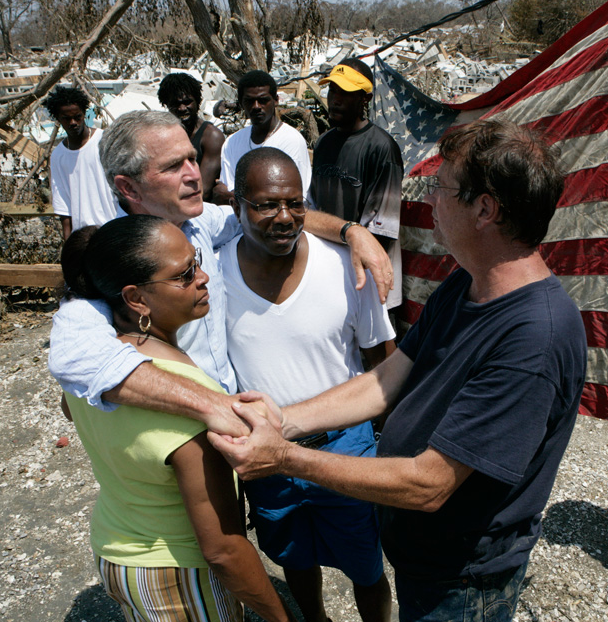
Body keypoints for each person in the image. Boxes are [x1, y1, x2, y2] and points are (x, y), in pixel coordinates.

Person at [211, 119, 587, 622]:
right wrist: (283, 420)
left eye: (442, 187)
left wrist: (286, 457)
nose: (430, 200)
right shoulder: (468, 284)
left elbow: (430, 484)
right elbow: (386, 378)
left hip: (462, 582)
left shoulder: (533, 338)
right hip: (421, 558)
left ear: (485, 209)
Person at [47, 110, 395, 438]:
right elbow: (73, 359)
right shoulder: (112, 261)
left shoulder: (200, 223)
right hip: (179, 439)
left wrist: (353, 232)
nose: (194, 175)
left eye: (192, 158)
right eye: (172, 166)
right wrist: (213, 407)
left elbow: (272, 214)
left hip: (237, 442)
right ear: (129, 188)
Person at [58, 215, 299, 622]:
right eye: (184, 275)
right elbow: (222, 549)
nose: (203, 277)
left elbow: (69, 409)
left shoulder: (88, 370)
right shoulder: (192, 401)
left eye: (198, 262)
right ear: (135, 298)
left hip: (116, 553)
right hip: (176, 576)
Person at [223, 147, 395, 622]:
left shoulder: (345, 267)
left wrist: (385, 438)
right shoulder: (212, 276)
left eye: (294, 203)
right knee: (294, 558)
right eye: (265, 205)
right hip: (266, 455)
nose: (283, 218)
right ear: (237, 204)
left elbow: (382, 359)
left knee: (367, 566)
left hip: (347, 447)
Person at [311, 59, 404, 309]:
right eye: (332, 91)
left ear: (364, 99)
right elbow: (312, 209)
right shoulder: (323, 144)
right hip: (325, 274)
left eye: (346, 92)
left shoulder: (382, 148)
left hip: (368, 281)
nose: (335, 99)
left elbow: (380, 231)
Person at [219, 71, 312, 199]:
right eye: (249, 101)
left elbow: (288, 196)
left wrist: (235, 196)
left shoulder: (291, 140)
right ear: (241, 103)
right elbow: (224, 193)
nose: (256, 107)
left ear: (276, 101)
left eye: (263, 100)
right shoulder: (232, 142)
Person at [45, 86, 120, 238]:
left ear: (84, 113)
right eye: (66, 118)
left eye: (77, 117)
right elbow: (63, 205)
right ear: (58, 119)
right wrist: (68, 247)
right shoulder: (58, 155)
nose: (73, 122)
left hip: (116, 228)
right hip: (84, 237)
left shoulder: (105, 140)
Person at [158, 72, 229, 204]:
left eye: (187, 102)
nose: (182, 108)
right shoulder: (164, 134)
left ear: (198, 101)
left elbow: (202, 190)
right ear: (166, 105)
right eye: (175, 104)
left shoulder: (211, 137)